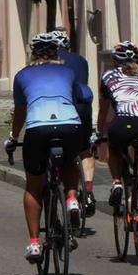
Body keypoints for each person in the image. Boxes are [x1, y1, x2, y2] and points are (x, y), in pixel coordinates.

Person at [5, 32, 90, 263]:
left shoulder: (22, 75)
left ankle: (34, 244)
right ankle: (72, 198)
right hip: (69, 125)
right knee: (70, 161)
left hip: (38, 129)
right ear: (56, 53)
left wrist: (13, 137)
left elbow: (21, 111)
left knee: (34, 185)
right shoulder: (68, 72)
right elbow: (76, 99)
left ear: (33, 54)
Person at [97, 41, 138, 253]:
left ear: (115, 60)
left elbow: (104, 109)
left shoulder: (108, 77)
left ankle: (116, 181)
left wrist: (99, 133)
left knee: (114, 148)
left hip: (123, 123)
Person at [50, 30, 96, 216]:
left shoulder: (45, 64)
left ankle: (59, 185)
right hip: (82, 108)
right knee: (84, 150)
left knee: (54, 146)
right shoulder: (81, 61)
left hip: (58, 110)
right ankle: (89, 190)